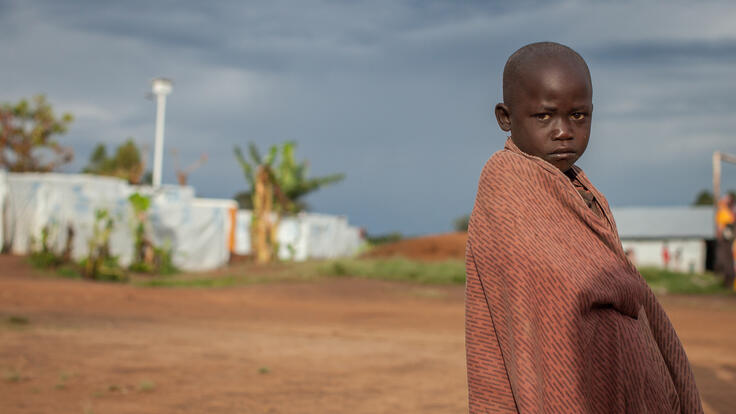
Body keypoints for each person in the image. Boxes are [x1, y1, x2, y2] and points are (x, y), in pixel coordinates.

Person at [465, 42, 702, 413]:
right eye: (544, 117)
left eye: (578, 116)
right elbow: (548, 299)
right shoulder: (507, 188)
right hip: (570, 381)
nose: (563, 132)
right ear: (505, 117)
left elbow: (615, 276)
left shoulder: (581, 188)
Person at [715, 194, 735, 289]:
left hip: (726, 237)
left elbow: (727, 225)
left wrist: (720, 232)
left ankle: (727, 277)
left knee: (724, 257)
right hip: (726, 235)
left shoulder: (728, 212)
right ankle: (726, 277)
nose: (723, 198)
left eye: (725, 198)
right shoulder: (725, 210)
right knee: (725, 257)